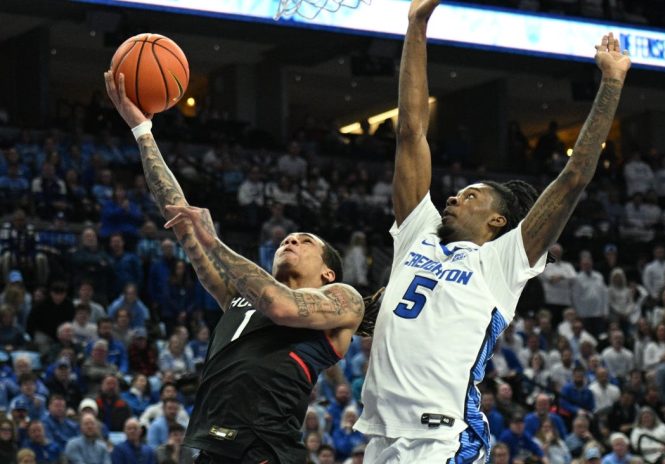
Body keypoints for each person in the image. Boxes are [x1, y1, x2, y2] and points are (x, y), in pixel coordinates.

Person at [354, 2, 630, 462]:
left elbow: (574, 177)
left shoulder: (501, 263)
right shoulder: (419, 235)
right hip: (382, 436)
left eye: (470, 195)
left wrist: (612, 83)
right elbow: (411, 132)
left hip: (442, 439)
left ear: (498, 220)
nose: (452, 198)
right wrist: (416, 24)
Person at [104, 70, 374, 464]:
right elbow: (180, 217)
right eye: (287, 238)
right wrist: (142, 131)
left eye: (304, 240)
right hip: (214, 447)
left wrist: (214, 240)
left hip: (266, 451)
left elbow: (280, 306)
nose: (290, 240)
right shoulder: (239, 296)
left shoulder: (342, 300)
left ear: (328, 272)